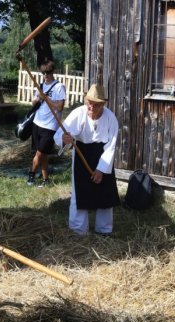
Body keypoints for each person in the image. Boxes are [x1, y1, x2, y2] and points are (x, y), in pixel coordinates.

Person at [54, 84, 120, 235]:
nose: (91, 106)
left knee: (105, 193)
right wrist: (65, 139)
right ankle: (78, 231)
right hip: (81, 152)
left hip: (102, 156)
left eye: (96, 104)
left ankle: (104, 230)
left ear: (103, 104)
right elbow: (59, 134)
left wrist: (101, 170)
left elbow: (111, 146)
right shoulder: (78, 113)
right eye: (89, 102)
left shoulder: (111, 119)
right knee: (79, 192)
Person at [27, 61, 66, 187]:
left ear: (53, 72)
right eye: (43, 73)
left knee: (40, 153)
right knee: (42, 154)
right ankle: (46, 180)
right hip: (37, 123)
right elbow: (34, 103)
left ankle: (31, 176)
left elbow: (60, 108)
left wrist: (47, 98)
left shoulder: (59, 87)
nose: (46, 75)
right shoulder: (41, 85)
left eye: (48, 72)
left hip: (50, 126)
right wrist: (38, 98)